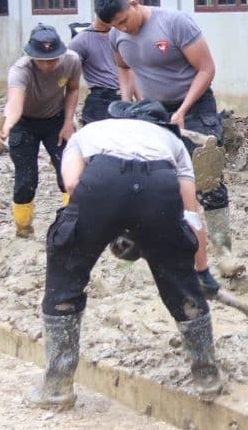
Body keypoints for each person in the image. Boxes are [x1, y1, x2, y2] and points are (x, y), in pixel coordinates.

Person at [25, 99, 223, 410]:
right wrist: (200, 272)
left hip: (101, 181)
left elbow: (73, 183)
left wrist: (111, 225)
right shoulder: (173, 143)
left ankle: (56, 389)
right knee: (180, 283)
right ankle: (207, 379)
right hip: (159, 185)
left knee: (66, 275)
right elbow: (191, 216)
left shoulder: (90, 132)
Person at [93, 0, 235, 258]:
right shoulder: (116, 36)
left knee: (207, 176)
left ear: (134, 3)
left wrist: (182, 110)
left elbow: (206, 68)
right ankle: (167, 243)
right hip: (151, 111)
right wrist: (127, 102)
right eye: (116, 25)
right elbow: (123, 67)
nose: (123, 28)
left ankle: (223, 249)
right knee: (154, 176)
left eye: (124, 21)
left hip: (195, 106)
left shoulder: (174, 22)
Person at [0, 24, 81, 237]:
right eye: (42, 60)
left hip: (56, 121)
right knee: (26, 179)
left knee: (68, 172)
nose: (48, 65)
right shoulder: (20, 70)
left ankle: (73, 224)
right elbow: (14, 105)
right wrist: (5, 128)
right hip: (24, 123)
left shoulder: (72, 60)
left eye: (53, 59)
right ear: (32, 56)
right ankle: (23, 227)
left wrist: (68, 122)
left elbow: (73, 89)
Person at [68, 18, 131, 125]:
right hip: (99, 99)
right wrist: (69, 118)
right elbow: (68, 80)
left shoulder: (122, 36)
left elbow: (131, 70)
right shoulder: (81, 40)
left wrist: (139, 101)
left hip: (124, 98)